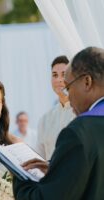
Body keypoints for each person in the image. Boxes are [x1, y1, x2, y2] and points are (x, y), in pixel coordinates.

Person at [13, 47, 104, 199]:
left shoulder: (79, 132)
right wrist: (61, 169)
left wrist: (19, 175)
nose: (68, 96)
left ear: (87, 82)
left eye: (68, 87)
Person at [35, 56, 75, 160]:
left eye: (64, 74)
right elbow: (39, 156)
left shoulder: (84, 113)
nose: (59, 80)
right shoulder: (45, 119)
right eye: (55, 75)